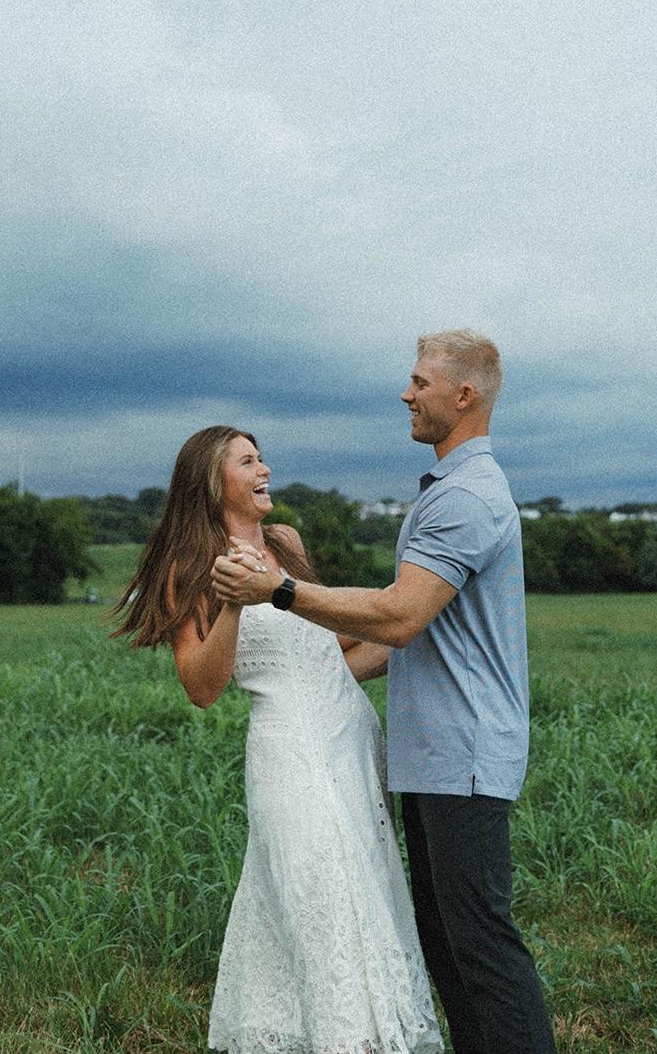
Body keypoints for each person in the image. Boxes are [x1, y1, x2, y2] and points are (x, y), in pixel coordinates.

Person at [212, 330, 557, 1054]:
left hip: (463, 751)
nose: (407, 393)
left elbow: (400, 617)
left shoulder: (466, 497)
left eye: (420, 382)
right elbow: (410, 638)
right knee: (450, 947)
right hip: (431, 756)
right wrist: (303, 680)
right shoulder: (446, 491)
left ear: (463, 395)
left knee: (482, 946)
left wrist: (281, 589)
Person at [111, 425, 442, 1054]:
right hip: (288, 751)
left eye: (262, 459)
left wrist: (411, 622)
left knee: (365, 890)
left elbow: (324, 645)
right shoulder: (189, 568)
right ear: (214, 482)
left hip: (351, 739)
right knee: (317, 894)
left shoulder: (286, 542)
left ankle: (376, 1035)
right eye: (248, 462)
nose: (264, 470)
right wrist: (234, 603)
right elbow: (202, 687)